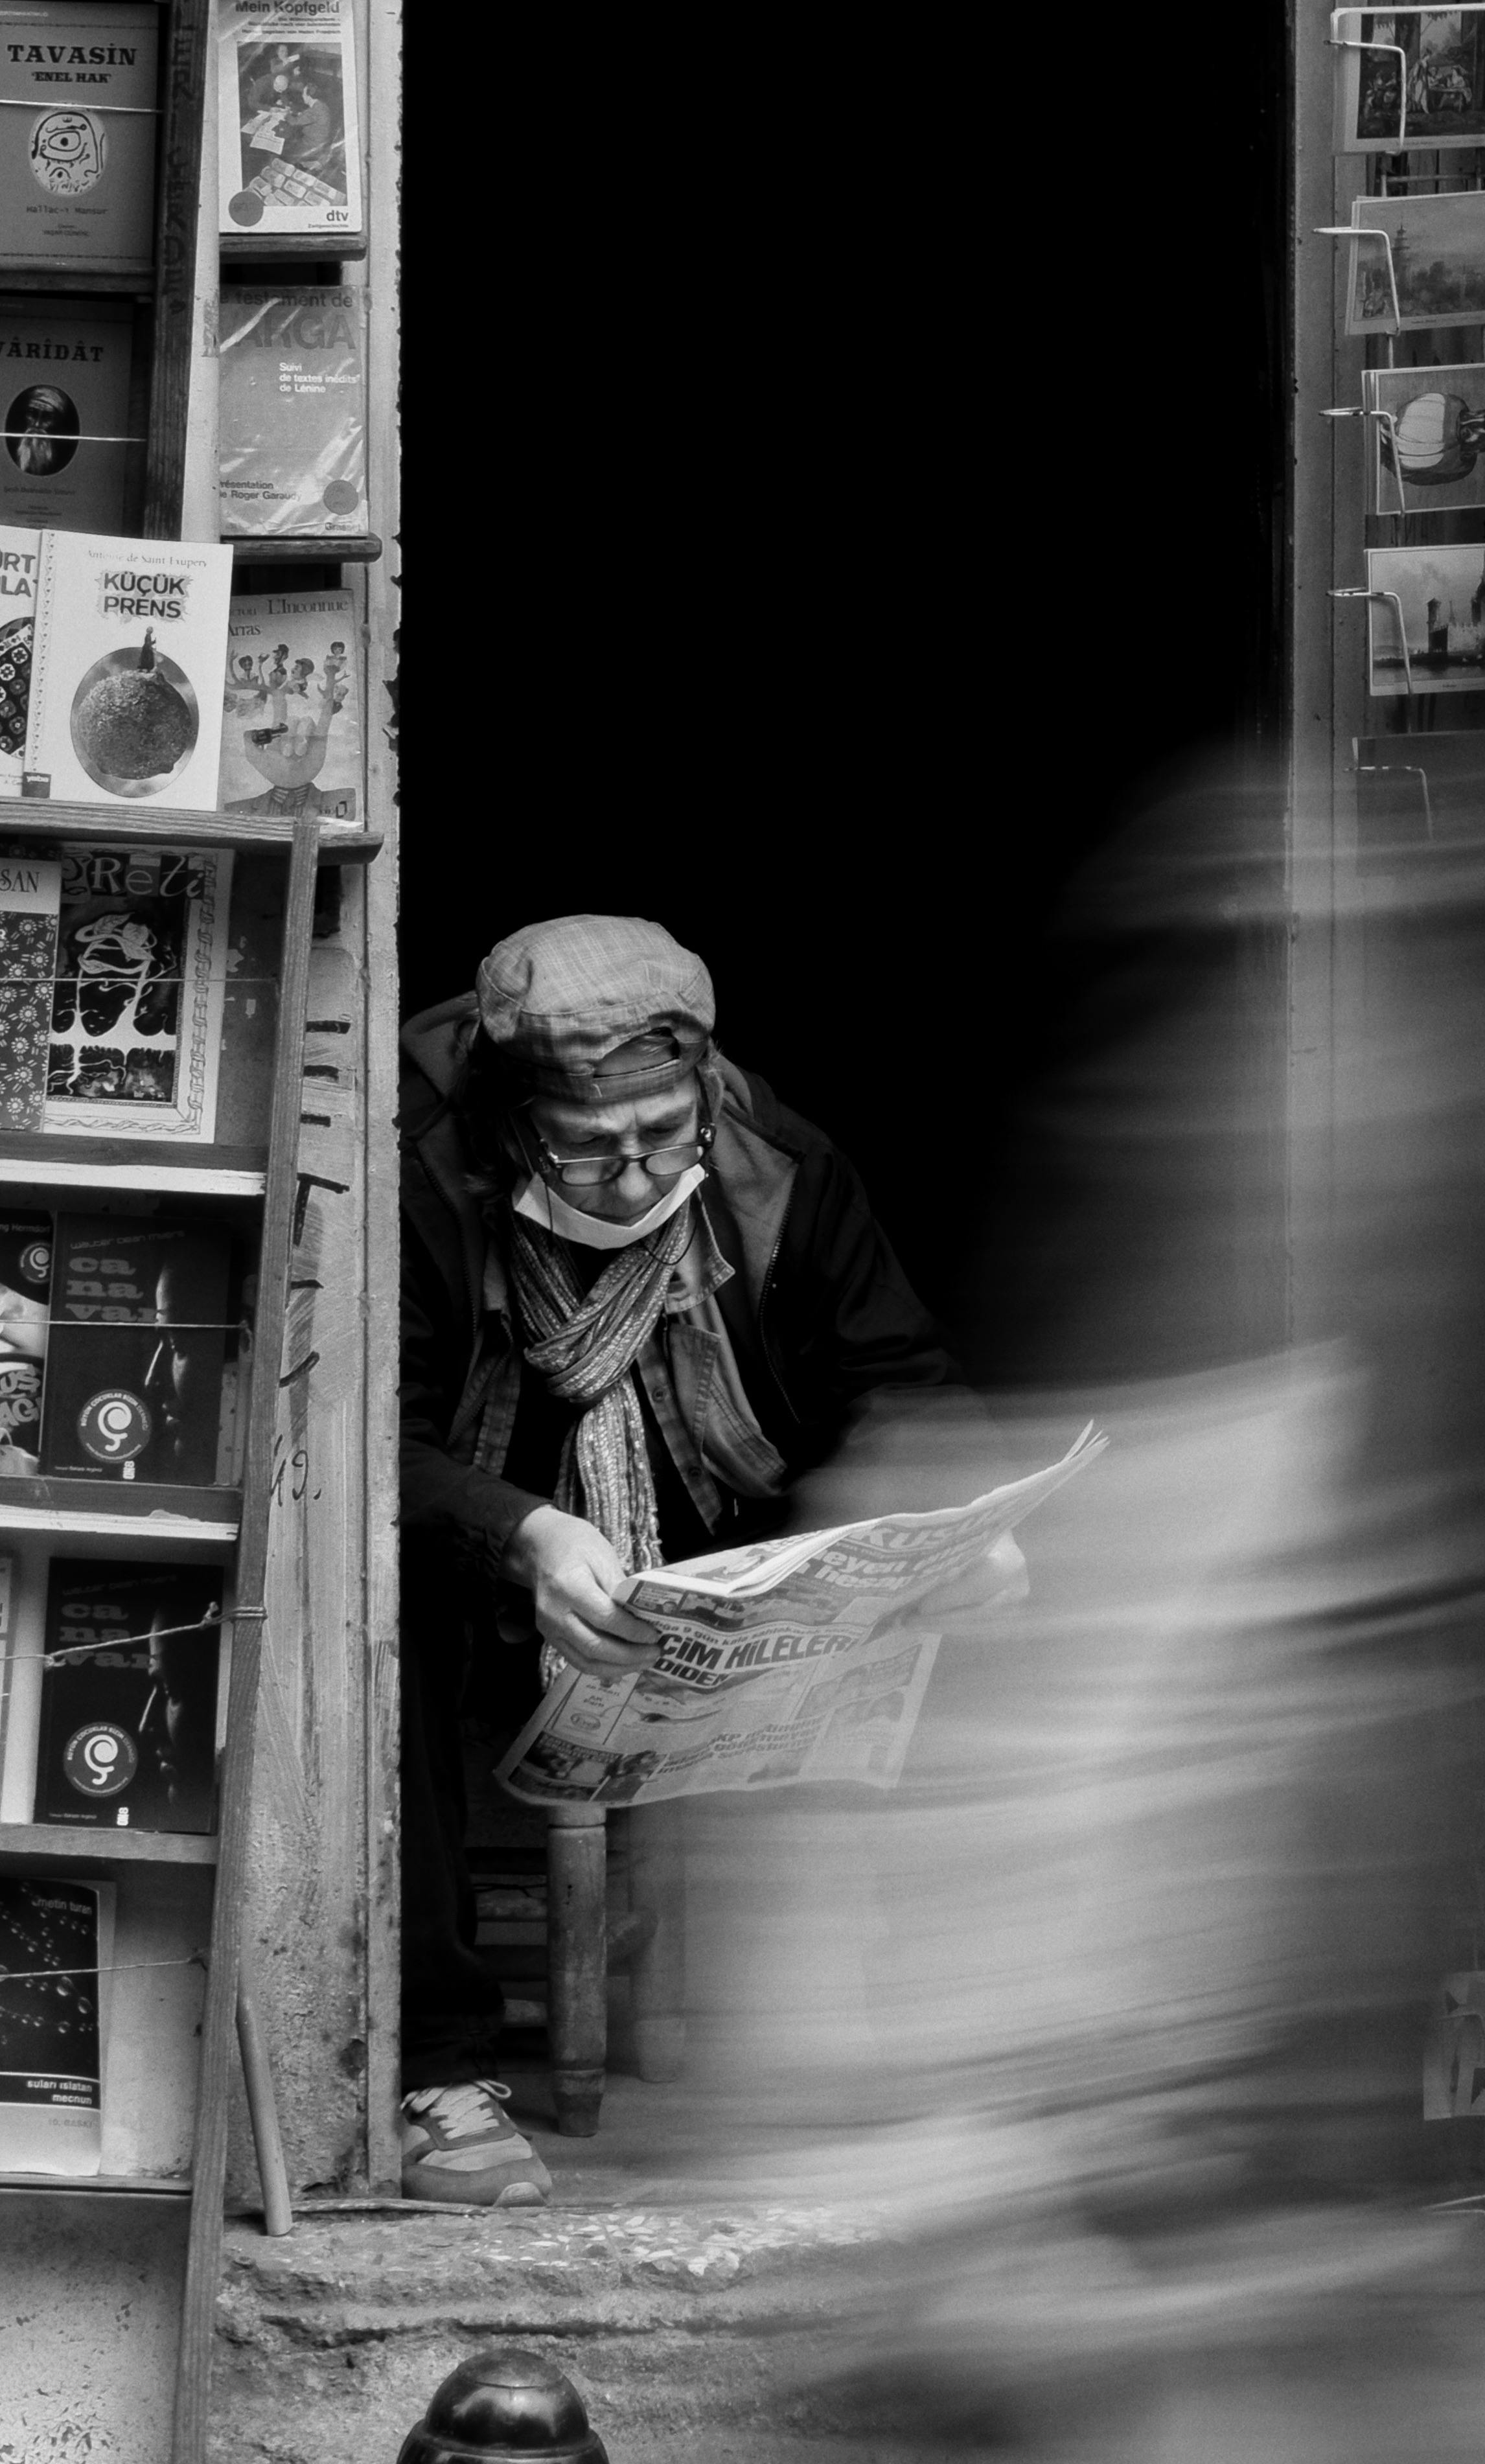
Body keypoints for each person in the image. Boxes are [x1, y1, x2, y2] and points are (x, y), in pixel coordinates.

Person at [397, 910, 986, 2207]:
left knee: (925, 1600)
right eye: (587, 1147)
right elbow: (362, 1445)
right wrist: (526, 1534)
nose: (631, 1174)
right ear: (510, 1125)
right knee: (379, 1637)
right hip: (494, 1563)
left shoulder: (772, 1163)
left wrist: (954, 1520)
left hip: (698, 1552)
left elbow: (892, 1380)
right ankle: (434, 2077)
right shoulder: (420, 1174)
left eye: (663, 1136)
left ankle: (872, 2031)